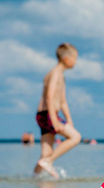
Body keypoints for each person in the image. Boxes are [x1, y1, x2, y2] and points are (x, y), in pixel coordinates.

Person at [34, 43, 82, 178]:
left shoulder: (61, 75)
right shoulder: (55, 73)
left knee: (45, 154)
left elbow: (63, 101)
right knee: (76, 137)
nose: (76, 61)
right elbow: (49, 96)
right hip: (48, 115)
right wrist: (54, 120)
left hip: (46, 115)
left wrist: (69, 120)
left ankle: (35, 179)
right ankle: (48, 161)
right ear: (66, 58)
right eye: (75, 58)